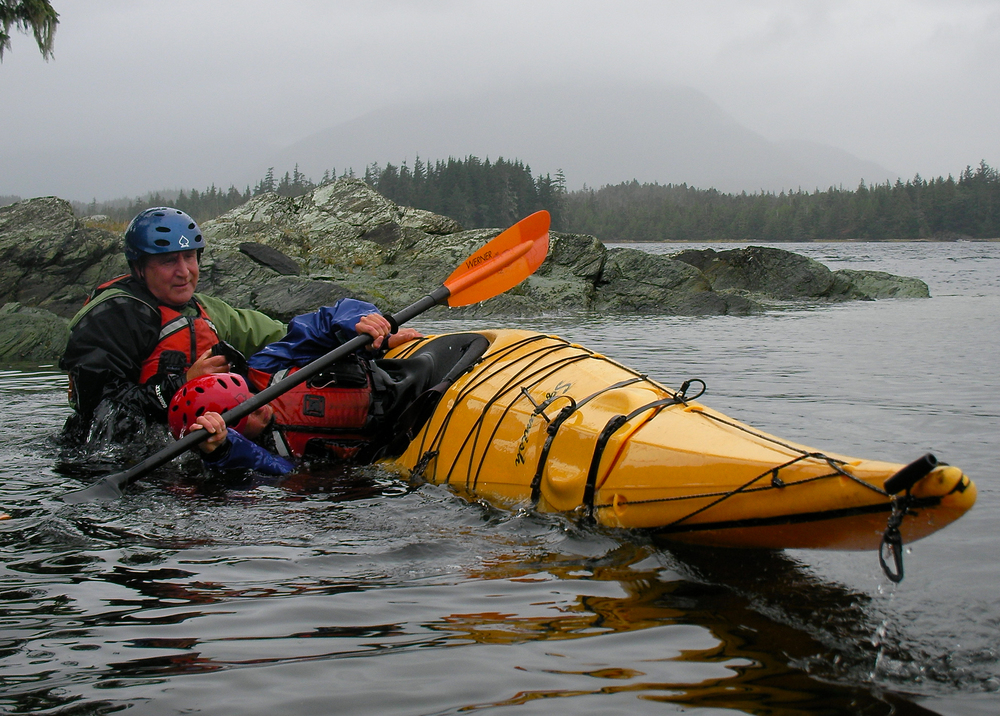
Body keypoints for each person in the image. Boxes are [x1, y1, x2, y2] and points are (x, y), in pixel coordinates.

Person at [59, 206, 415, 447]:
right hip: (123, 456)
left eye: (189, 257)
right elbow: (101, 415)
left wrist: (360, 328)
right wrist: (181, 385)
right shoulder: (112, 317)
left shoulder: (206, 311)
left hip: (207, 440)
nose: (184, 272)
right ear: (140, 268)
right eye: (168, 261)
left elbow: (290, 337)